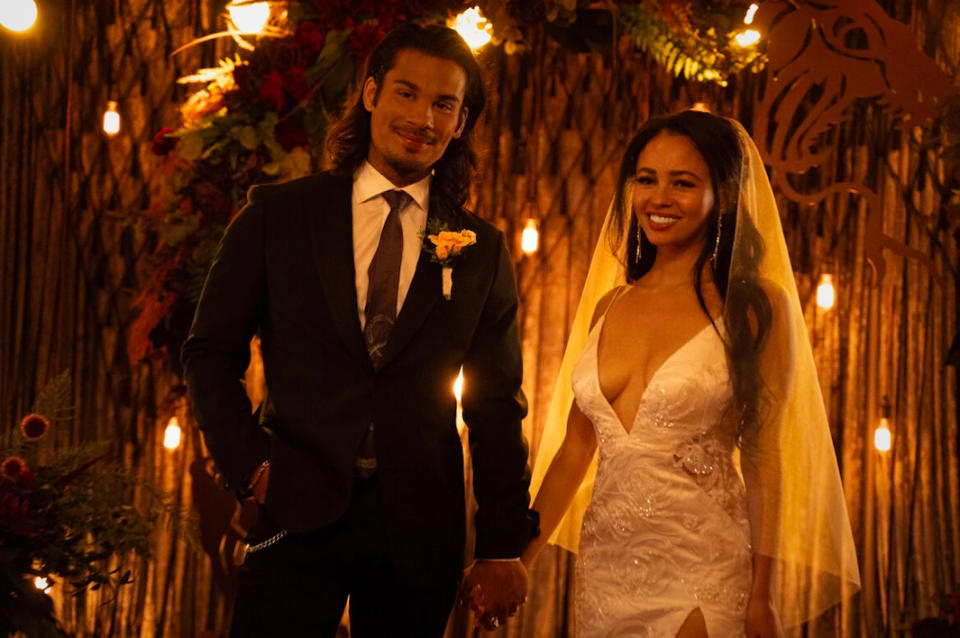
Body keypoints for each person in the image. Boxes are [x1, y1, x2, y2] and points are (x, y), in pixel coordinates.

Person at [182, 22, 538, 638]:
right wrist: (252, 468)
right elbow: (209, 353)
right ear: (371, 93)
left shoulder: (481, 249)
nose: (422, 117)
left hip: (419, 531)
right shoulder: (278, 216)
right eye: (406, 92)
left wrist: (502, 546)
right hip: (292, 510)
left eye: (444, 104)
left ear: (460, 122)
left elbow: (496, 404)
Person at [521, 110, 860, 637]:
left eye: (683, 183)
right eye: (646, 179)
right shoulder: (610, 304)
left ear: (721, 195)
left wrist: (762, 597)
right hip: (605, 570)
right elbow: (575, 449)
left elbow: (767, 457)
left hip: (702, 567)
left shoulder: (754, 307)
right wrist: (518, 559)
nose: (659, 198)